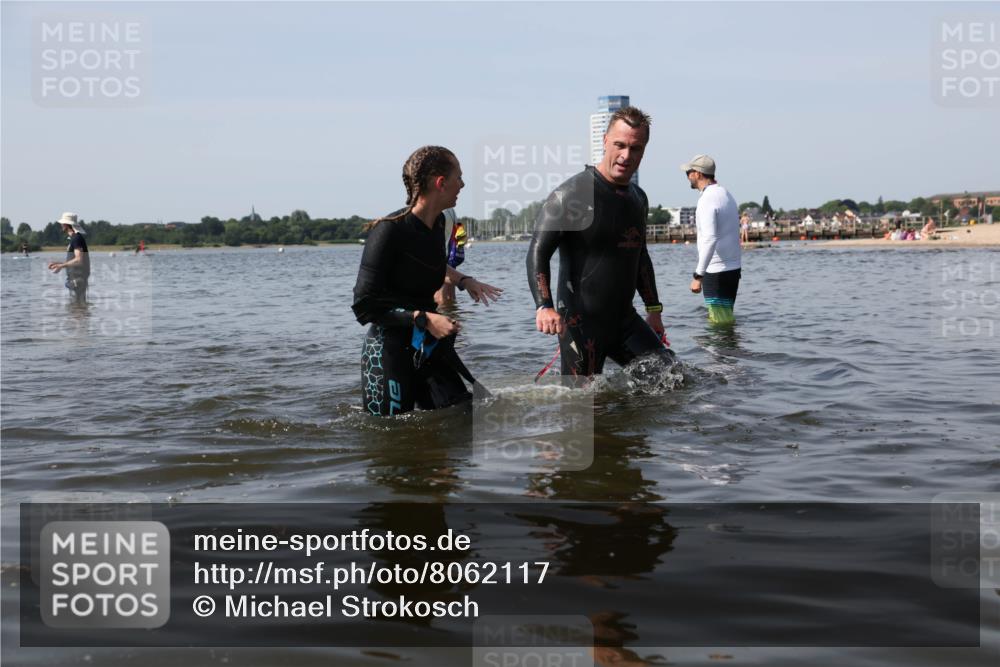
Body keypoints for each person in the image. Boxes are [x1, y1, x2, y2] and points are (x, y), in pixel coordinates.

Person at [352, 146, 502, 416]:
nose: (463, 185)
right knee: (393, 439)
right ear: (440, 183)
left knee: (467, 418)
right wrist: (424, 318)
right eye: (459, 178)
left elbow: (425, 262)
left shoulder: (438, 225)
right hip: (388, 350)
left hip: (426, 344)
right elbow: (365, 307)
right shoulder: (388, 231)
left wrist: (463, 280)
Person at [527, 106, 673, 378]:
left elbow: (640, 257)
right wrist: (544, 306)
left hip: (624, 321)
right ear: (605, 141)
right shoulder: (573, 194)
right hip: (581, 324)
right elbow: (538, 251)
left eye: (636, 148)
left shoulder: (638, 198)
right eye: (619, 145)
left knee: (672, 379)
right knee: (580, 409)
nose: (626, 156)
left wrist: (654, 311)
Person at [683, 155, 741, 326]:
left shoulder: (707, 199)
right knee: (725, 320)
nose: (687, 176)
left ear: (698, 174)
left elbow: (709, 238)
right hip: (732, 269)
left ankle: (718, 353)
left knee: (718, 326)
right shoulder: (725, 194)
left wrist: (698, 275)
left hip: (716, 271)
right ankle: (730, 352)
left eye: (689, 172)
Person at [47, 212, 90, 305]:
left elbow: (79, 259)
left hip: (77, 280)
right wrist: (58, 264)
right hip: (76, 280)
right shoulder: (75, 238)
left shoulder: (76, 239)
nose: (61, 225)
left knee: (77, 311)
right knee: (77, 310)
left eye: (62, 223)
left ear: (66, 225)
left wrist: (61, 266)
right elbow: (75, 260)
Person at [433, 209, 465, 304]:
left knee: (440, 299)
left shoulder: (437, 210)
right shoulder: (451, 210)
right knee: (450, 298)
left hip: (442, 259)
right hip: (451, 256)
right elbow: (460, 234)